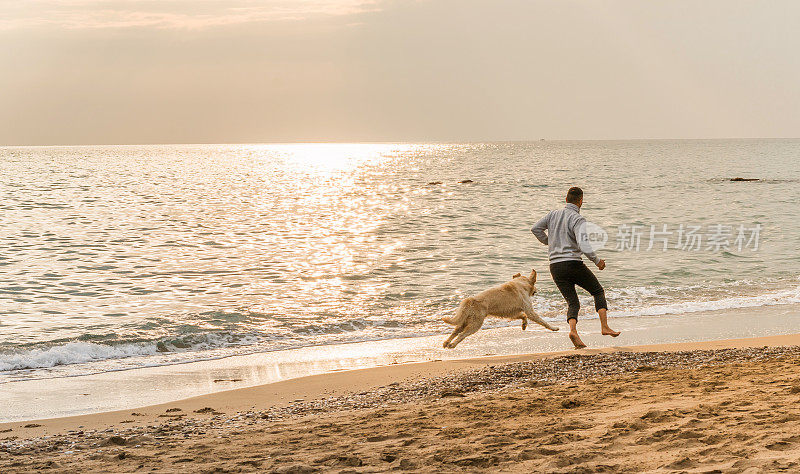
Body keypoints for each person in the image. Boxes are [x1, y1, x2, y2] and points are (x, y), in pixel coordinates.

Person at [531, 187, 620, 349]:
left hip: (555, 267)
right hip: (572, 264)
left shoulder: (552, 215)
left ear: (566, 200)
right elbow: (584, 245)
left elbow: (535, 229)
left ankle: (573, 331)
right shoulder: (578, 219)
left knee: (573, 302)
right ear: (580, 201)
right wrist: (597, 261)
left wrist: (549, 242)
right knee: (598, 291)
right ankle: (604, 327)